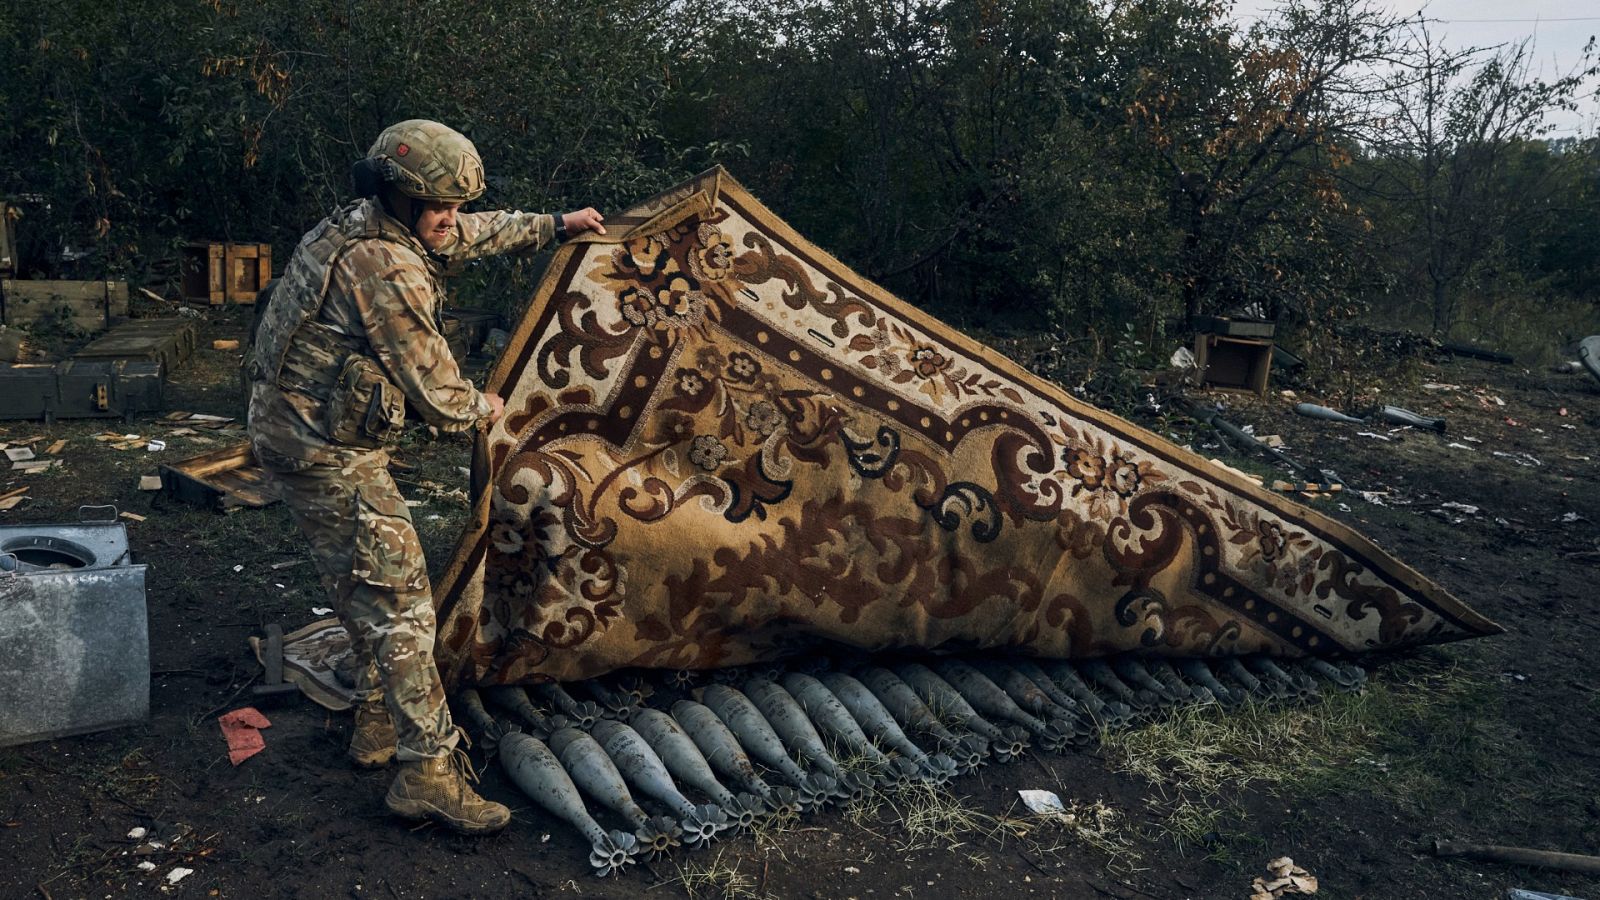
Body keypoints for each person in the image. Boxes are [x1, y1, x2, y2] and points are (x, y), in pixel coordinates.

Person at [245, 119, 604, 834]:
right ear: (400, 198)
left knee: (363, 580)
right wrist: (484, 406)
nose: (452, 220)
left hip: (298, 429)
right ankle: (428, 770)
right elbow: (439, 398)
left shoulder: (371, 222)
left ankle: (377, 720)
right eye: (439, 205)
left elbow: (465, 234)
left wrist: (556, 225)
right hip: (323, 449)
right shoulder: (385, 268)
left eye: (456, 204)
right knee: (404, 603)